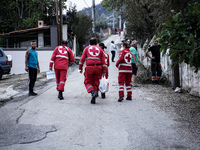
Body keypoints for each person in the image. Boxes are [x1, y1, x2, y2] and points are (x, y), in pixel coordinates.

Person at [79, 38, 106, 104]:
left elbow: (82, 59)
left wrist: (80, 68)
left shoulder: (86, 49)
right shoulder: (100, 50)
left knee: (87, 82)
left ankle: (92, 92)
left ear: (90, 43)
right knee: (96, 82)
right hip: (98, 67)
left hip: (89, 67)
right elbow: (103, 61)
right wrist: (104, 71)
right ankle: (95, 94)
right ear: (96, 43)